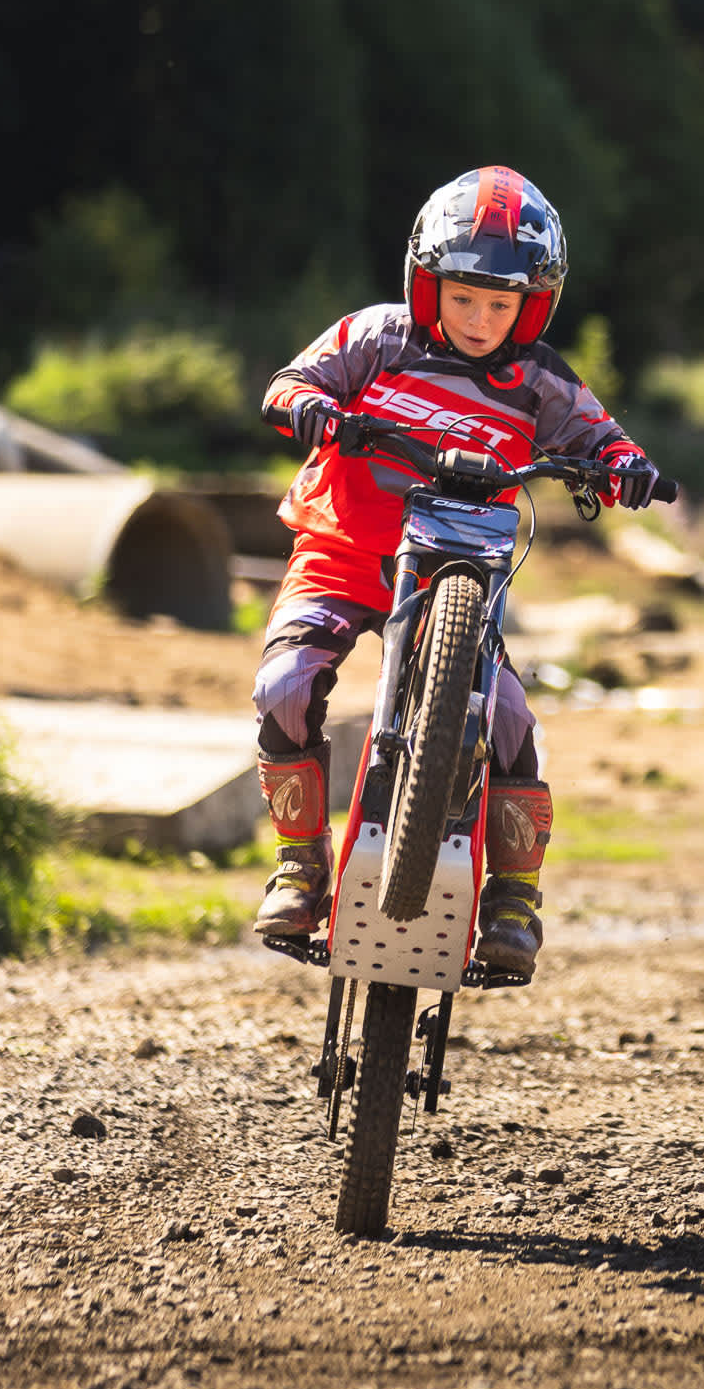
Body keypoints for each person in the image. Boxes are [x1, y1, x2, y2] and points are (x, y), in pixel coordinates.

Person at [248, 165, 663, 982]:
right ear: (425, 282)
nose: (478, 319)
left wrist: (627, 468)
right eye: (462, 297)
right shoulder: (375, 337)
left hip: (460, 569)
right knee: (284, 686)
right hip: (344, 551)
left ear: (531, 306)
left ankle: (514, 896)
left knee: (510, 721)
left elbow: (604, 440)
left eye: (499, 304)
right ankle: (300, 866)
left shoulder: (541, 380)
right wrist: (306, 403)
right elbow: (291, 378)